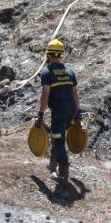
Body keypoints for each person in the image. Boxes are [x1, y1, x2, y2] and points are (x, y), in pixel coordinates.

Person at [35, 38, 81, 183]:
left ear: (48, 54)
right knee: (57, 136)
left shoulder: (47, 72)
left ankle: (64, 173)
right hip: (71, 110)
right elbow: (75, 93)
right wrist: (78, 111)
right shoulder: (69, 71)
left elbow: (45, 95)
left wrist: (40, 114)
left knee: (59, 140)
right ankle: (52, 166)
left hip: (59, 112)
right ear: (61, 54)